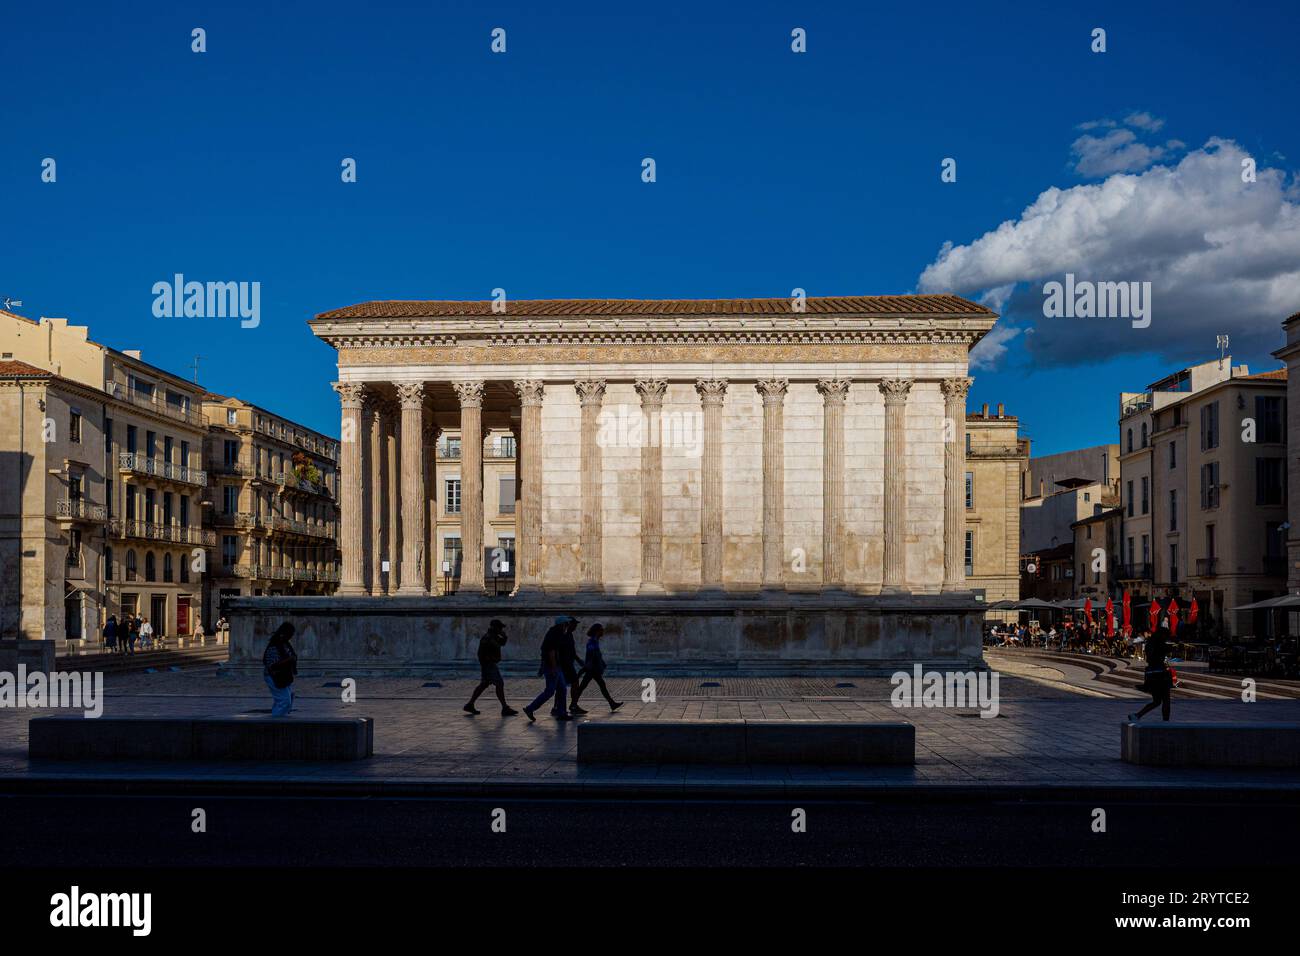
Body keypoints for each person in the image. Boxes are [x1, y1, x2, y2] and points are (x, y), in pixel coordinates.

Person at [523, 615, 577, 722]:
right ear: (562, 624)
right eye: (566, 624)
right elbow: (551, 651)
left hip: (556, 666)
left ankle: (562, 713)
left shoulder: (556, 633)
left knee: (562, 689)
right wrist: (553, 667)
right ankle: (530, 708)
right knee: (550, 691)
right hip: (553, 666)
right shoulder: (555, 634)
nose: (567, 626)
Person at [464, 619, 518, 716]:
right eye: (500, 627)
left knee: (484, 685)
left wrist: (504, 636)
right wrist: (488, 661)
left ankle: (470, 704)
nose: (501, 629)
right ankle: (505, 707)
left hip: (490, 665)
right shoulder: (487, 638)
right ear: (494, 627)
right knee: (499, 683)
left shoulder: (494, 637)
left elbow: (502, 643)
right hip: (489, 665)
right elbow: (480, 653)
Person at [571, 623, 623, 713]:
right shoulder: (592, 641)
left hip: (593, 668)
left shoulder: (594, 641)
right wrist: (590, 666)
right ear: (597, 631)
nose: (603, 631)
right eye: (601, 630)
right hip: (592, 669)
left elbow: (596, 655)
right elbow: (593, 655)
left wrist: (601, 663)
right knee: (585, 686)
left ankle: (612, 703)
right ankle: (573, 704)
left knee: (599, 686)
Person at [1130, 626, 1173, 723]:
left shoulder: (1150, 643)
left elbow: (1149, 658)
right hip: (1161, 674)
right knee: (1166, 699)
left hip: (1151, 674)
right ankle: (1166, 721)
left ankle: (1137, 715)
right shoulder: (1160, 644)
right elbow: (1165, 650)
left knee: (1157, 701)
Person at [263, 622, 298, 717]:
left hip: (283, 676)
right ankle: (276, 721)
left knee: (287, 698)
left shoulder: (284, 643)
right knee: (284, 700)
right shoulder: (275, 645)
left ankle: (281, 717)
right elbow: (271, 664)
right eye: (290, 634)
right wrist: (288, 660)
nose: (291, 636)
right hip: (274, 676)